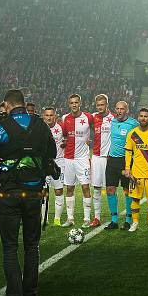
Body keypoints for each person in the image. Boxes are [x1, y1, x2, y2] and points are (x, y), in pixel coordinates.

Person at [0, 89, 56, 296]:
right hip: (34, 194)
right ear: (24, 104)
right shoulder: (40, 125)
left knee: (10, 247)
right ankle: (30, 294)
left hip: (9, 194)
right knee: (32, 246)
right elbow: (52, 152)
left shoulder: (1, 128)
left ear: (7, 105)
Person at [123, 108, 148, 232]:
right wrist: (127, 168)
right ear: (138, 117)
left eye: (146, 116)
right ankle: (135, 222)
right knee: (135, 199)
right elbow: (128, 152)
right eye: (141, 116)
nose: (143, 118)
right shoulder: (132, 134)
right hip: (136, 173)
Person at [61, 94, 95, 228]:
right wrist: (64, 142)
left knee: (85, 187)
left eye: (76, 102)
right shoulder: (65, 118)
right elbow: (64, 135)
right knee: (69, 188)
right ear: (69, 104)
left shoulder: (88, 117)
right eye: (71, 103)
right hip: (68, 159)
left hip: (82, 159)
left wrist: (91, 141)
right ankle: (70, 219)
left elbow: (96, 131)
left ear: (80, 103)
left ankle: (87, 219)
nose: (74, 105)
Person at [105, 100, 139, 230]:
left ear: (127, 110)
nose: (119, 111)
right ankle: (114, 220)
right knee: (110, 189)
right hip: (112, 160)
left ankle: (128, 220)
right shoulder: (112, 121)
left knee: (127, 191)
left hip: (126, 161)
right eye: (117, 108)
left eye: (122, 109)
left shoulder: (133, 124)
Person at [90, 94, 114, 227]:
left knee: (111, 188)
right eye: (98, 105)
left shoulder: (113, 118)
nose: (100, 107)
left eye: (102, 105)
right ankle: (97, 217)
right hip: (97, 157)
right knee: (97, 188)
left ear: (107, 105)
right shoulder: (93, 117)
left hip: (109, 158)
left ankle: (113, 217)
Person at [42, 107, 66, 225]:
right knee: (43, 191)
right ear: (43, 116)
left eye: (51, 115)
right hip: (44, 163)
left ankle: (57, 219)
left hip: (59, 162)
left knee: (59, 190)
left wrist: (66, 142)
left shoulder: (61, 127)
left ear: (55, 116)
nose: (49, 117)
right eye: (47, 115)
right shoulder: (40, 129)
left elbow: (69, 138)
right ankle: (44, 219)